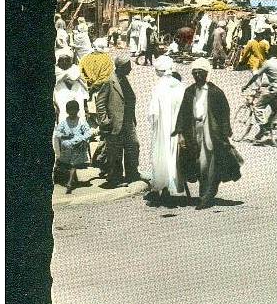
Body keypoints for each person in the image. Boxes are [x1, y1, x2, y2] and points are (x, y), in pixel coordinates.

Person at [175, 58, 239, 209]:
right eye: (194, 73)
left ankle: (206, 195)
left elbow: (224, 113)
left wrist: (225, 131)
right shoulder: (189, 91)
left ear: (206, 74)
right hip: (192, 132)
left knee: (207, 163)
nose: (197, 76)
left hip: (210, 132)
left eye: (200, 73)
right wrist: (181, 134)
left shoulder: (215, 92)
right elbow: (183, 114)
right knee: (196, 163)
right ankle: (207, 191)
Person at [95, 53, 141, 188]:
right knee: (115, 152)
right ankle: (115, 178)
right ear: (121, 67)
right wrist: (104, 120)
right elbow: (100, 102)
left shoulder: (124, 79)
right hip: (115, 123)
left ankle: (132, 174)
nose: (131, 69)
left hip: (128, 122)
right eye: (129, 66)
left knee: (133, 146)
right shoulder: (109, 81)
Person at [146, 55, 184, 200]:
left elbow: (153, 113)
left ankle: (164, 185)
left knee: (162, 155)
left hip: (162, 128)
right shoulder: (178, 84)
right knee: (174, 155)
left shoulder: (159, 87)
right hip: (177, 127)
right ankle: (172, 184)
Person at [242, 44, 277, 143]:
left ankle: (263, 129)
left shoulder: (267, 63)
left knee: (257, 106)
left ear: (269, 53)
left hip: (275, 89)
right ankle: (267, 126)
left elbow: (256, 75)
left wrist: (246, 85)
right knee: (273, 107)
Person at [54, 100, 92, 194]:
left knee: (73, 164)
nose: (72, 114)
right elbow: (57, 132)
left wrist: (81, 139)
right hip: (67, 147)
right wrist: (64, 136)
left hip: (78, 146)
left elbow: (88, 132)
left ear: (78, 111)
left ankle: (70, 183)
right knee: (70, 164)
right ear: (67, 111)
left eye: (74, 112)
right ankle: (74, 180)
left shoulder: (81, 122)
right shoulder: (63, 123)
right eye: (70, 112)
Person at [53, 49, 89, 124]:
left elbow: (82, 82)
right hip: (60, 91)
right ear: (58, 62)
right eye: (61, 60)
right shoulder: (55, 71)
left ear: (71, 61)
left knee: (80, 111)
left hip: (76, 92)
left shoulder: (75, 69)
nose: (64, 62)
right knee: (63, 111)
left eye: (67, 60)